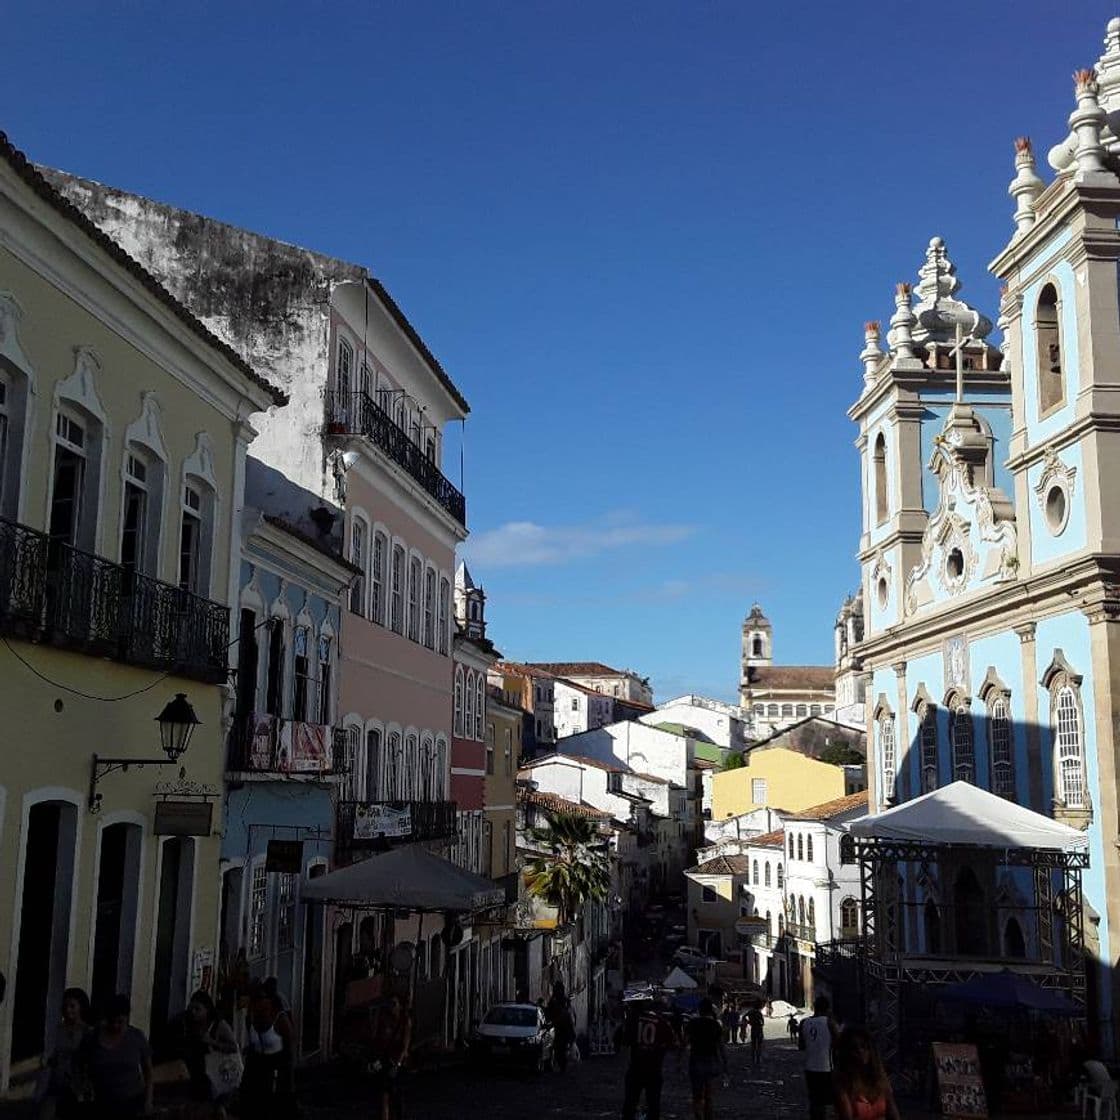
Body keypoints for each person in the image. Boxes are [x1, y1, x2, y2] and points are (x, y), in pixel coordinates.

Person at [80, 994, 153, 1119]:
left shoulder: (136, 1037)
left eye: (120, 1022)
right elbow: (78, 1063)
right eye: (111, 1021)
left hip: (131, 1101)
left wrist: (148, 1100)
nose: (115, 1026)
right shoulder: (92, 1037)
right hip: (101, 1101)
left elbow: (148, 1071)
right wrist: (83, 1086)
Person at [174, 990, 239, 1119]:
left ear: (207, 1010)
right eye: (192, 1008)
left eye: (198, 1009)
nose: (194, 1013)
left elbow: (233, 1047)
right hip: (196, 1073)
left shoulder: (218, 1025)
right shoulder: (188, 1024)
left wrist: (213, 1042)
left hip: (215, 1073)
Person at [239, 983, 295, 1117]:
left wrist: (287, 1082)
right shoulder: (251, 1017)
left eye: (261, 999)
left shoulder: (280, 1019)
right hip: (257, 1065)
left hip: (276, 1065)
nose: (258, 1004)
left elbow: (289, 1050)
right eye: (255, 1000)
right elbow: (253, 1044)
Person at [38, 988, 91, 1119]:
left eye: (72, 1006)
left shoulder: (87, 1032)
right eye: (66, 1006)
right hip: (56, 1085)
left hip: (78, 1087)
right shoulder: (57, 1030)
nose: (68, 1010)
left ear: (81, 1007)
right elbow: (48, 1054)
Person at [621, 999, 678, 1120]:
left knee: (630, 1103)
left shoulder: (634, 1020)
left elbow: (625, 1044)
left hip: (636, 1067)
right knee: (653, 1104)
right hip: (654, 1069)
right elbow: (673, 1045)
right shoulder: (662, 1023)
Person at [834, 1027, 900, 1120]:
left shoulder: (880, 1078)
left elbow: (893, 1113)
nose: (860, 1051)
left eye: (864, 1047)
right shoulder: (844, 1082)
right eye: (854, 1048)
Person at [368, 994, 411, 1120]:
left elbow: (404, 1047)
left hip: (399, 1062)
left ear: (400, 1006)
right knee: (384, 1094)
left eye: (394, 1004)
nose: (391, 1007)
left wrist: (397, 1065)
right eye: (390, 1004)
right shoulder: (386, 1020)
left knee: (396, 1096)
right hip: (387, 1060)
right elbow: (379, 1042)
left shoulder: (405, 1022)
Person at [684, 998, 727, 1120]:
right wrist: (725, 1064)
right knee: (708, 1095)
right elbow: (721, 1047)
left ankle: (698, 1116)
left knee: (697, 1095)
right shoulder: (715, 1025)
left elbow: (684, 1042)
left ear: (700, 1010)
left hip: (696, 1060)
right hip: (711, 1060)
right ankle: (708, 1117)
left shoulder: (692, 1023)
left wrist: (679, 1060)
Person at [800, 995, 841, 1120]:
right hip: (826, 1067)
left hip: (810, 1067)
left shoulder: (804, 1023)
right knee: (827, 1101)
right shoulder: (830, 1023)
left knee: (814, 1100)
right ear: (828, 1008)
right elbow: (839, 1043)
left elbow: (801, 1046)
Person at [546, 981, 576, 1072]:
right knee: (558, 1048)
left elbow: (569, 1015)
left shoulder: (564, 1001)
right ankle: (560, 1064)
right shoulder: (555, 1001)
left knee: (561, 1048)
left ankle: (562, 1065)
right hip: (557, 1029)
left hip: (563, 1029)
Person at [747, 1002, 766, 1068]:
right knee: (759, 1045)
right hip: (759, 1029)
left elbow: (744, 1017)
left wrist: (749, 1022)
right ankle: (758, 1059)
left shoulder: (750, 1012)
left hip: (753, 1029)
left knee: (753, 1045)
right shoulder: (758, 1013)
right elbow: (762, 1021)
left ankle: (753, 1059)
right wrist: (761, 1024)